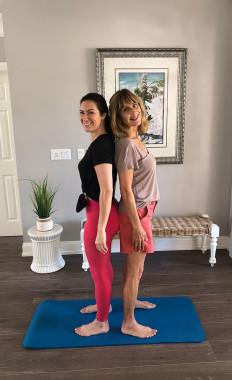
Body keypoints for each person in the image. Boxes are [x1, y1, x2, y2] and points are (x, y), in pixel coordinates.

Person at [110, 88, 160, 337]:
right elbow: (126, 190)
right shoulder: (127, 145)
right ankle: (128, 322)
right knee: (133, 271)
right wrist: (137, 225)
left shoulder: (136, 138)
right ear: (118, 116)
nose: (134, 111)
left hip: (143, 211)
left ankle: (133, 301)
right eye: (126, 109)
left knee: (136, 269)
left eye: (136, 105)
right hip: (135, 214)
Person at [74, 93, 119, 337]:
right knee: (102, 266)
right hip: (99, 210)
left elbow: (107, 189)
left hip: (101, 213)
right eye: (81, 112)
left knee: (98, 269)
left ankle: (101, 322)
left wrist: (100, 228)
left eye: (90, 112)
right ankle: (106, 305)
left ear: (103, 115)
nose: (85, 117)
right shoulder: (101, 142)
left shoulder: (101, 144)